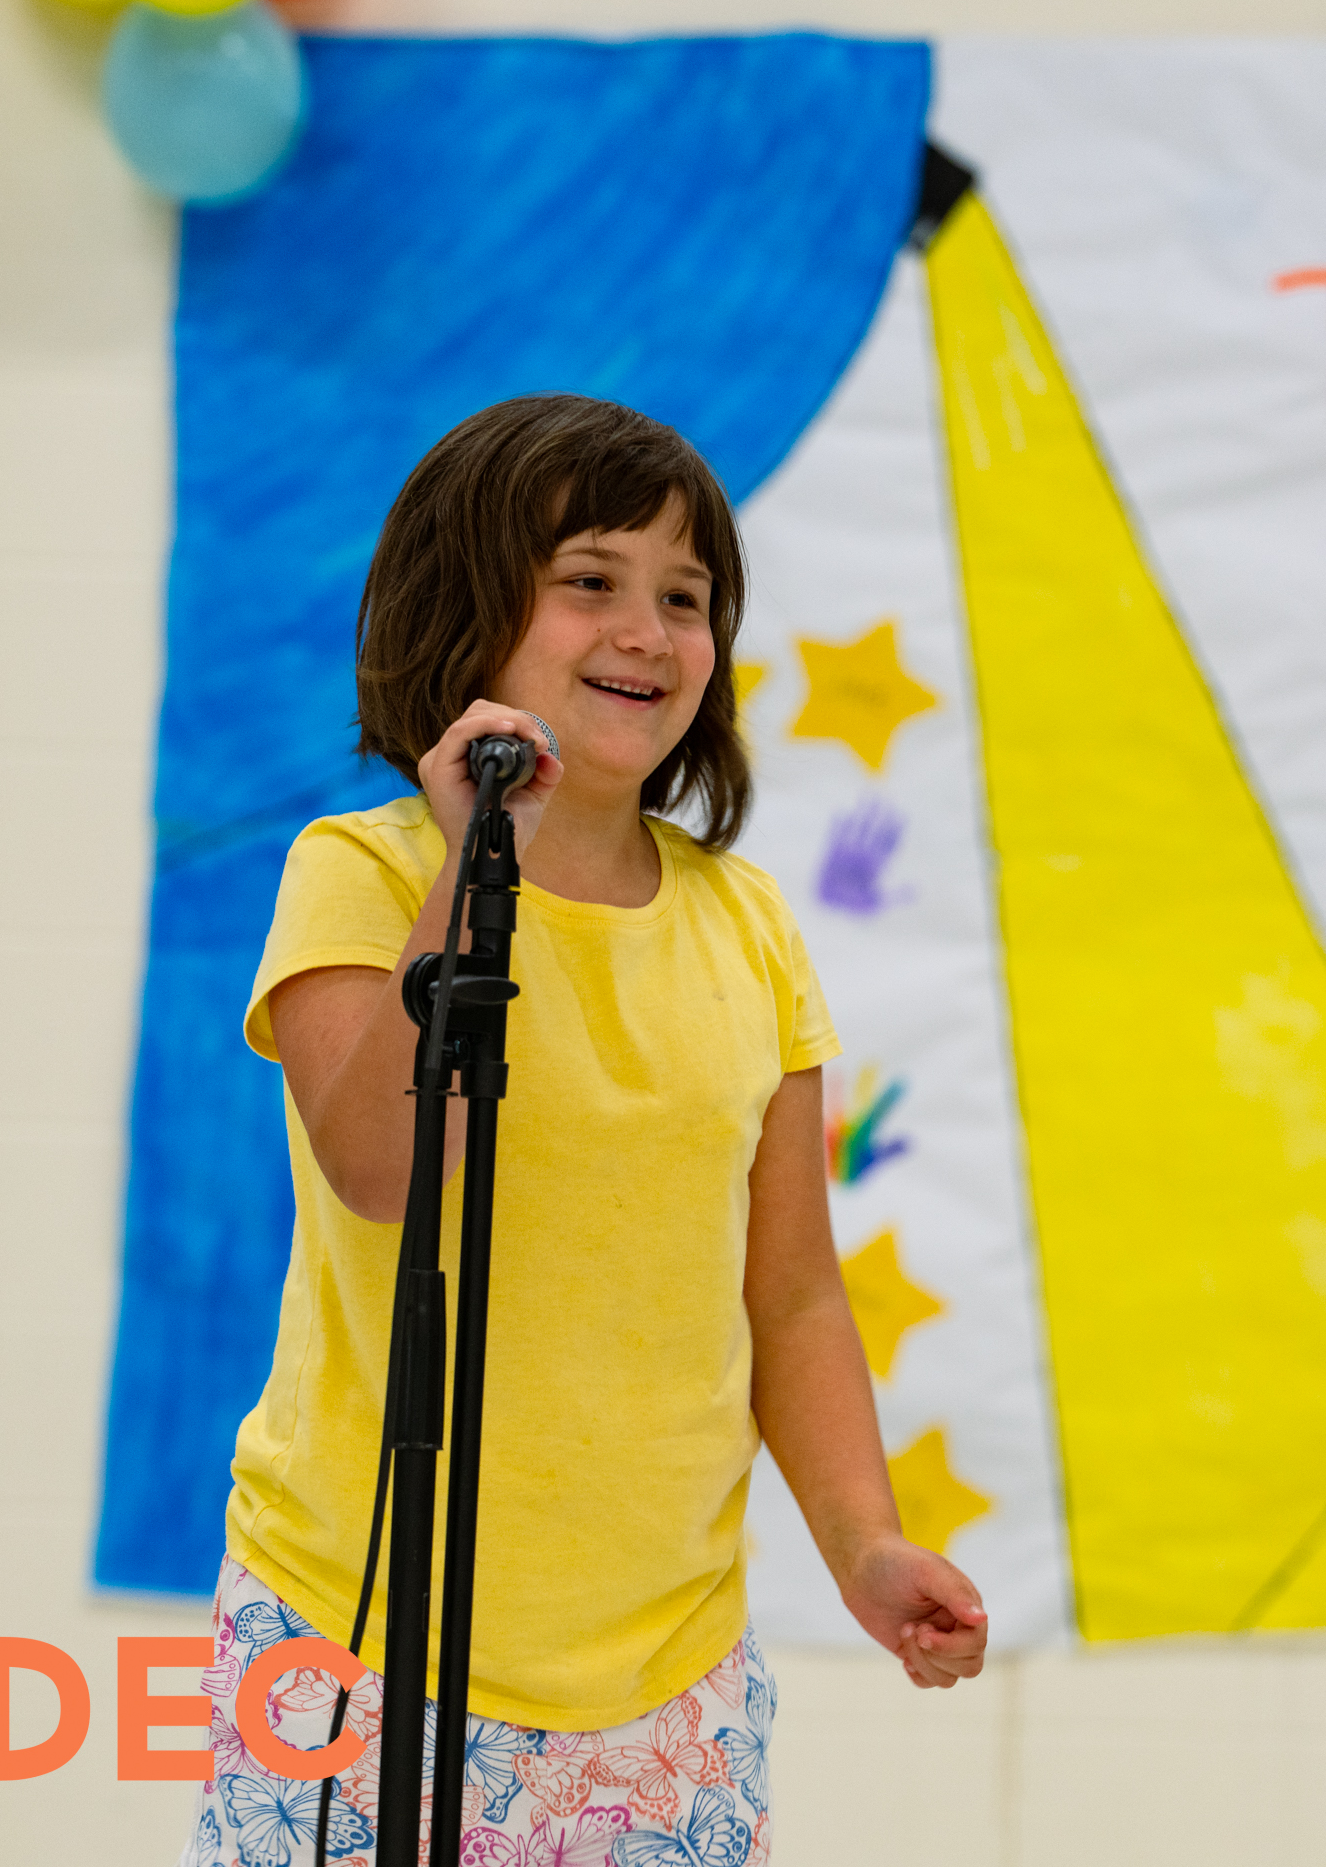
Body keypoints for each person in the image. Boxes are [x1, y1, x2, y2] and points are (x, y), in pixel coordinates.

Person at [180, 395, 987, 1867]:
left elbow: (793, 1294)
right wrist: (474, 857)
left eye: (686, 597)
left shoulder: (749, 928)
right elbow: (383, 1170)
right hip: (363, 1635)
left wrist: (864, 1544)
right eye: (591, 581)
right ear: (468, 611)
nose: (647, 632)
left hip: (669, 1683)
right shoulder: (362, 875)